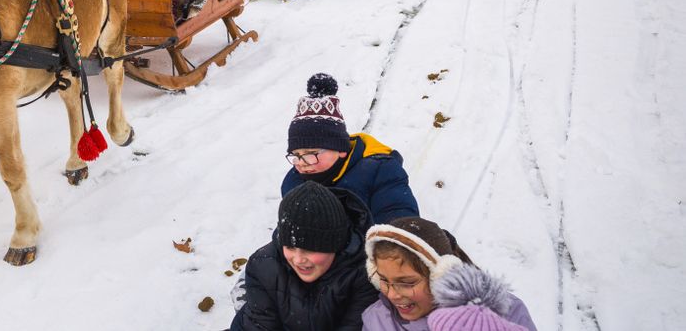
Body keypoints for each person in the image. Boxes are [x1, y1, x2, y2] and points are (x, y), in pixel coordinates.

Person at [229, 181, 379, 330]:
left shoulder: (367, 273)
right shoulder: (264, 266)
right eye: (290, 247)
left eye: (310, 250)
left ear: (335, 244)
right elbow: (259, 325)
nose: (298, 259)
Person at [282, 74, 420, 225]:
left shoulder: (380, 171)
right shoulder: (293, 181)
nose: (301, 163)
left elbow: (397, 215)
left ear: (340, 149)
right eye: (296, 155)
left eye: (310, 154)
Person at [362, 218, 537, 331]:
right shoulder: (376, 320)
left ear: (440, 277)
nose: (393, 294)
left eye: (407, 283)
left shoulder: (504, 311)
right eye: (383, 279)